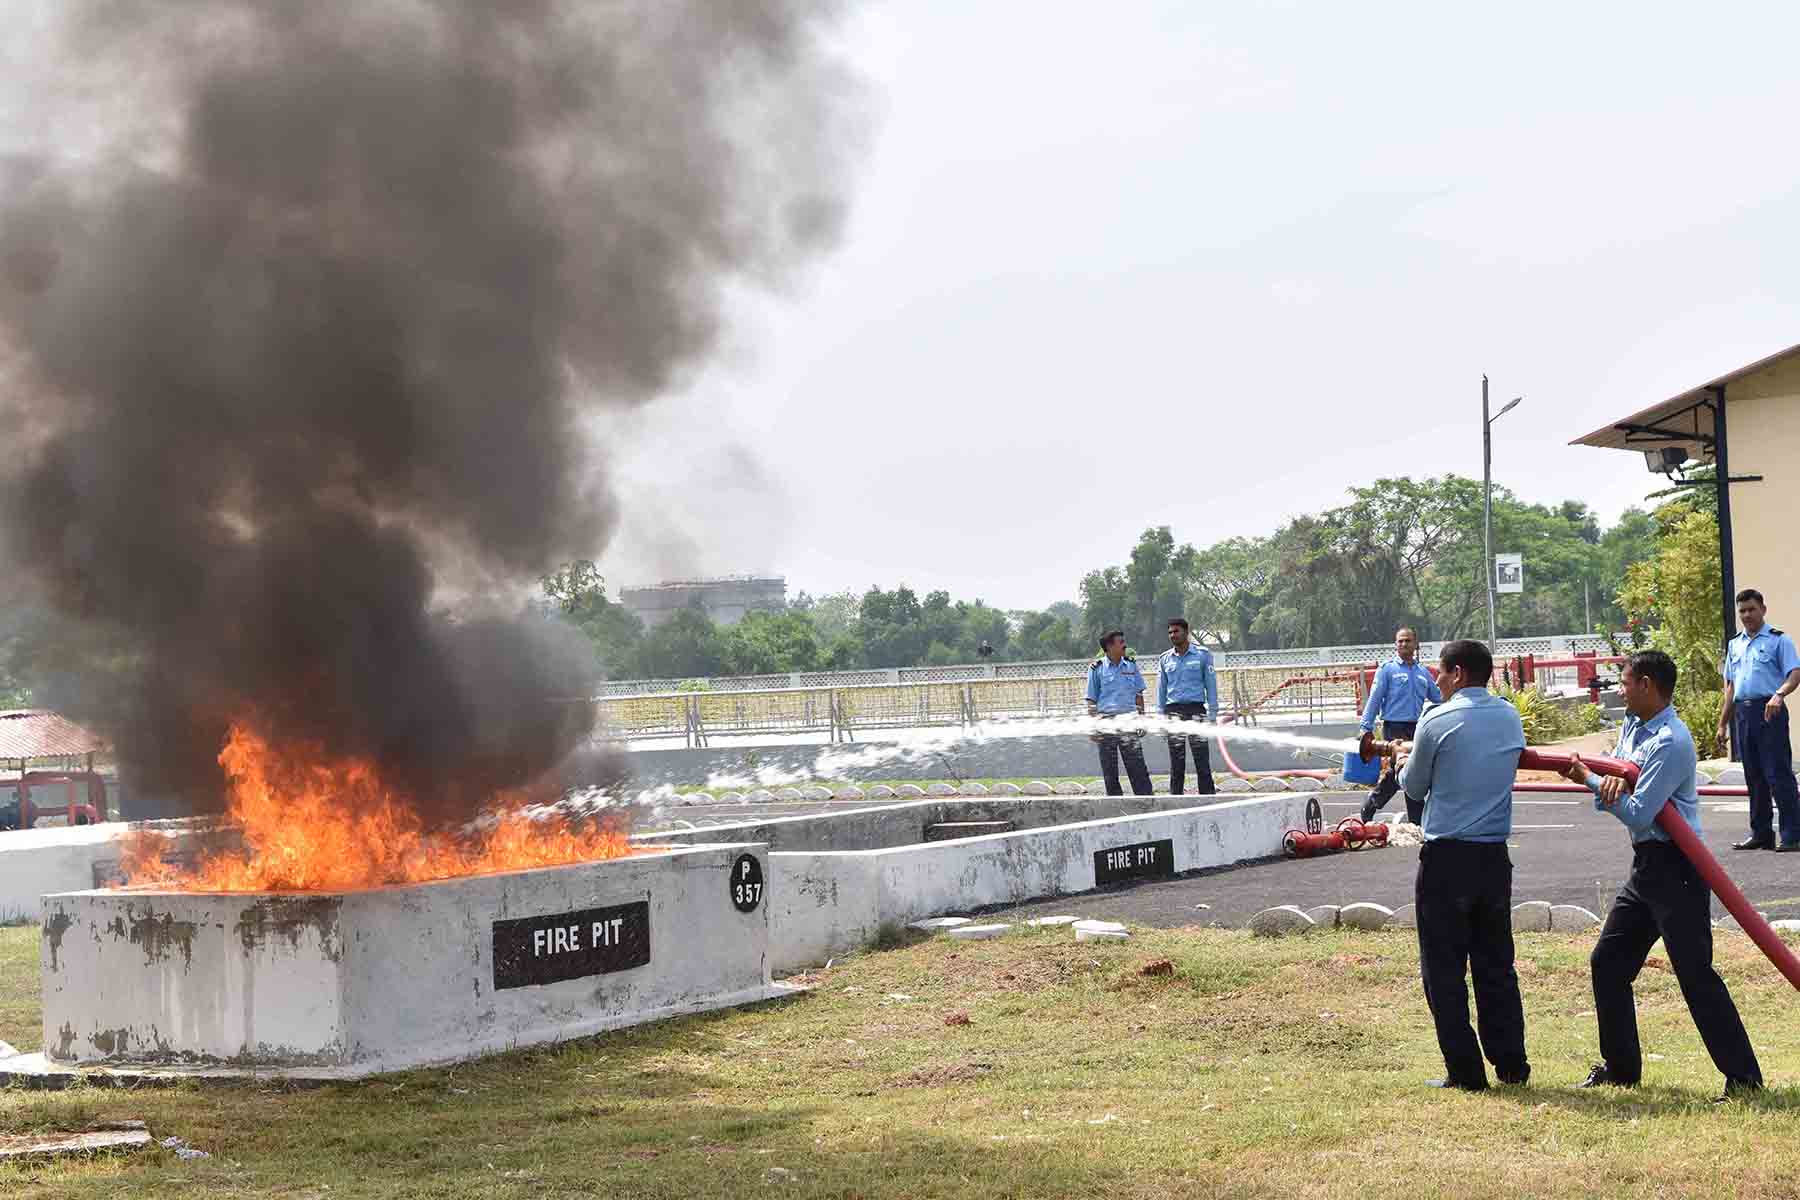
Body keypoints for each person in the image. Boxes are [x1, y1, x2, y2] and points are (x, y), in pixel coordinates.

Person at [1561, 649, 1763, 1102]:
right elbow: (1616, 780)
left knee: (1695, 973)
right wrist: (1601, 781)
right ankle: (1621, 1068)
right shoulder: (1634, 726)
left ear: (1648, 684)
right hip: (1647, 868)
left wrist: (1592, 783)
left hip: (1680, 869)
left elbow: (1637, 813)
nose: (1620, 689)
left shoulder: (1670, 741)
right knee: (1608, 963)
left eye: (1626, 681)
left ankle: (1745, 1079)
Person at [1394, 638, 1529, 1091]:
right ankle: (1511, 1063)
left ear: (1457, 673)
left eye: (1441, 672)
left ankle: (1465, 1071)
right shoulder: (1510, 716)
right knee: (1496, 964)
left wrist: (1399, 762)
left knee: (1444, 969)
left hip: (1447, 858)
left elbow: (1415, 786)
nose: (1436, 679)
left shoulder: (1436, 719)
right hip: (1493, 858)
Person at [1717, 588, 1800, 851]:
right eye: (1742, 610)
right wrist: (1722, 723)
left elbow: (1794, 673)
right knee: (1753, 775)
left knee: (1778, 774)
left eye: (1752, 609)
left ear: (1763, 609)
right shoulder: (1735, 644)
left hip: (1770, 711)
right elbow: (1730, 687)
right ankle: (1761, 833)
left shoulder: (1779, 640)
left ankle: (1792, 835)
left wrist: (1779, 695)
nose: (1747, 615)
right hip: (1743, 713)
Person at [1358, 627, 1442, 824]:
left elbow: (1438, 698)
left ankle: (1374, 803)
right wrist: (1365, 727)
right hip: (1393, 728)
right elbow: (1375, 699)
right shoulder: (1387, 670)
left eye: (1407, 641)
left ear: (1416, 644)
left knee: (1406, 770)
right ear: (1396, 645)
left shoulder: (1424, 673)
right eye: (1400, 641)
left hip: (1416, 729)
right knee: (1406, 769)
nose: (1403, 644)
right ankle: (1413, 819)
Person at [1085, 630, 1151, 796]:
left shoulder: (1131, 665)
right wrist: (1094, 727)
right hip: (1106, 723)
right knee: (1109, 769)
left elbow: (1139, 695)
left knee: (1137, 767)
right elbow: (1091, 700)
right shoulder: (1096, 669)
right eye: (1120, 642)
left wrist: (1141, 719)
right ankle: (1115, 804)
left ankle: (1146, 801)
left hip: (1129, 722)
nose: (1124, 645)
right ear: (1109, 646)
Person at [1157, 617, 1218, 796]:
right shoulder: (1165, 659)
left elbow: (1211, 685)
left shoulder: (1202, 655)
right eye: (1170, 632)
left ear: (1186, 632)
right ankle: (1175, 798)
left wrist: (1212, 715)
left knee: (1201, 759)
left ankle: (1208, 797)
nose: (1172, 635)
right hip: (1173, 712)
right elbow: (1161, 690)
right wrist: (1161, 718)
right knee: (1176, 761)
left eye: (1176, 631)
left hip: (1196, 710)